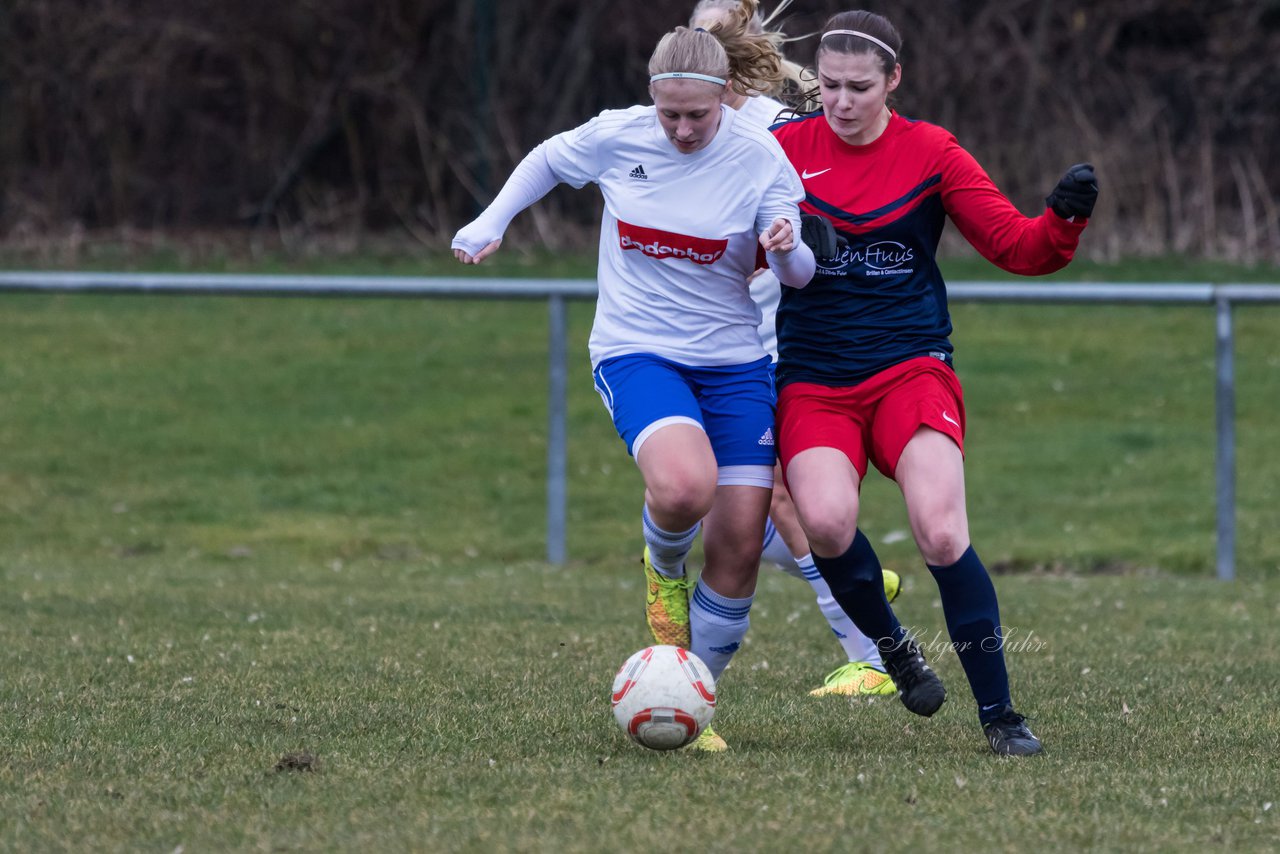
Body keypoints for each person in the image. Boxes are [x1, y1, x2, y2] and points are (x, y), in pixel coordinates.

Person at [452, 1, 815, 752]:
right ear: (653, 97)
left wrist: (784, 248)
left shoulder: (758, 158)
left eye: (697, 117)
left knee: (742, 540)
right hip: (637, 349)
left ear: (725, 100)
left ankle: (691, 693)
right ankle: (661, 564)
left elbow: (803, 273)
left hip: (735, 362)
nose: (682, 130)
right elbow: (550, 158)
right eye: (670, 114)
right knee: (685, 488)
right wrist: (493, 221)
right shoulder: (620, 135)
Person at [771, 10, 1098, 756]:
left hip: (910, 368)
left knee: (943, 531)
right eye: (828, 86)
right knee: (823, 523)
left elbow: (1018, 247)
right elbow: (733, 249)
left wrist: (1063, 221)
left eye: (859, 87)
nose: (842, 101)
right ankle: (892, 649)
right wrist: (770, 249)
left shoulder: (932, 152)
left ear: (893, 81)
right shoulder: (781, 150)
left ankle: (1001, 716)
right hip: (814, 378)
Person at [690, 0, 903, 699]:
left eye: (716, 30)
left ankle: (867, 648)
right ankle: (853, 574)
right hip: (701, 343)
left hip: (772, 337)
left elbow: (834, 193)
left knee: (772, 489)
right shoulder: (680, 120)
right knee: (724, 502)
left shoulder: (776, 129)